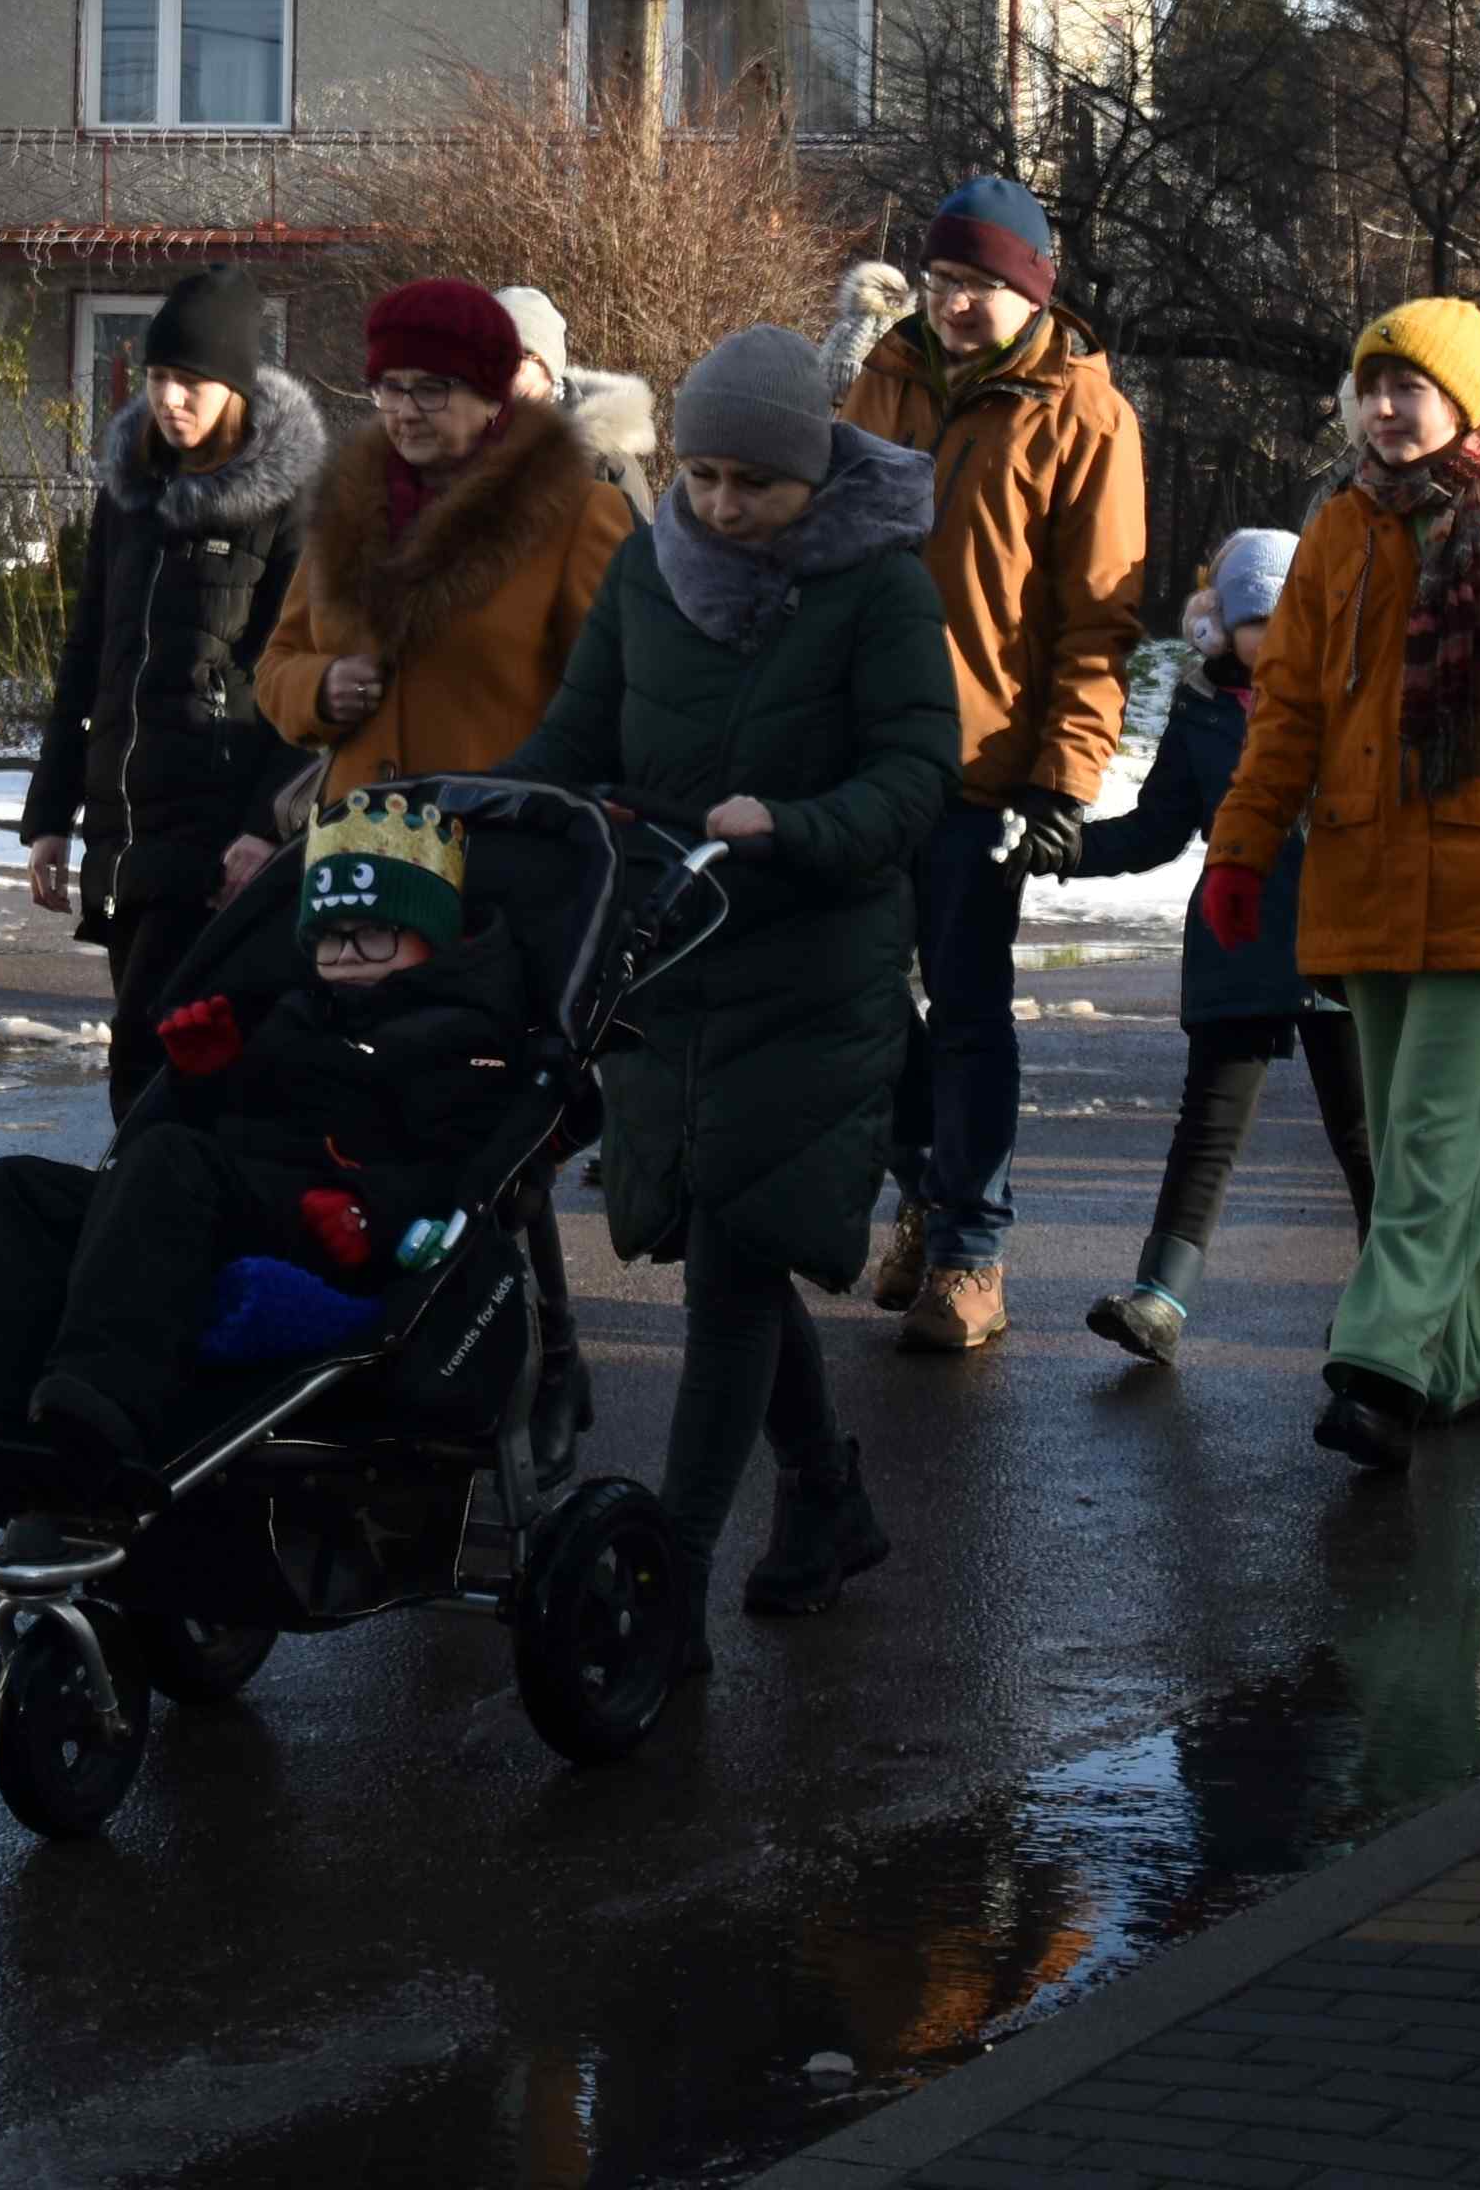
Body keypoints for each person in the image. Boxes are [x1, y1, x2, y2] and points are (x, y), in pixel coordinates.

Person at [502, 325, 952, 1639]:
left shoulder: (880, 589)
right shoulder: (652, 568)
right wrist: (490, 806)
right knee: (719, 1242)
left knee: (736, 1269)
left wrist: (796, 826)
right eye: (701, 477)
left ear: (811, 471)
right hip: (675, 956)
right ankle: (824, 1493)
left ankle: (669, 1577)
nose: (721, 505)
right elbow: (579, 733)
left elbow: (920, 775)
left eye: (751, 482)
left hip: (817, 965)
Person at [1200, 298, 1480, 1481]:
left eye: (1413, 387)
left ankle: (1379, 1361)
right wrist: (1241, 852)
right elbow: (1290, 713)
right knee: (1419, 1141)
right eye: (1372, 385)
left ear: (1467, 402)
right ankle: (1478, 1361)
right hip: (1359, 879)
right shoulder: (1339, 530)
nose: (1389, 407)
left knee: (1434, 1142)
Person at [0, 783, 545, 1482]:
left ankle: (103, 1401)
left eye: (374, 932)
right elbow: (241, 1122)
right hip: (225, 1202)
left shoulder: (465, 1043)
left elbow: (462, 1169)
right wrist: (208, 1077)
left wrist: (374, 1211)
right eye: (328, 937)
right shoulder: (299, 1011)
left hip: (344, 1234)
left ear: (431, 939)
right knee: (14, 1188)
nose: (347, 952)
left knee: (169, 1165)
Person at [842, 174, 1150, 1355]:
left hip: (985, 764)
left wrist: (1066, 777)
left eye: (978, 284)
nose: (957, 305)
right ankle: (918, 1195)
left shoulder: (1081, 409)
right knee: (865, 995)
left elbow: (1097, 615)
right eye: (943, 281)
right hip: (867, 750)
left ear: (1030, 289)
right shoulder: (887, 375)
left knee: (966, 1008)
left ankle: (972, 1251)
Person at [14, 268, 323, 1111]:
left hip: (215, 835)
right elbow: (86, 657)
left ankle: (145, 1229)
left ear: (234, 385)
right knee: (150, 1060)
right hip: (124, 829)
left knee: (161, 1071)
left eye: (191, 381)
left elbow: (305, 688)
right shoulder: (128, 497)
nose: (171, 398)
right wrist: (48, 817)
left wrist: (266, 826)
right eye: (157, 378)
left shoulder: (291, 509)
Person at [1053, 529, 1353, 1367]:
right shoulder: (1199, 708)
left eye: (1290, 617)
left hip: (1344, 944)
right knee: (1209, 1127)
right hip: (1239, 940)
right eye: (1255, 620)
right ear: (1217, 628)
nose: (1274, 637)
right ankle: (1159, 1295)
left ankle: (1389, 1304)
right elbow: (1160, 827)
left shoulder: (1350, 696)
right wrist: (1070, 850)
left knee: (1366, 1135)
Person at [255, 274, 636, 805]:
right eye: (390, 386)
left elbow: (612, 704)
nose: (406, 411)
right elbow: (277, 664)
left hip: (498, 851)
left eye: (433, 389)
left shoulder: (578, 517)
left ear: (490, 397)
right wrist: (319, 687)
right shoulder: (345, 511)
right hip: (357, 859)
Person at [499, 280, 666, 512]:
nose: (497, 372)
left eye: (512, 359)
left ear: (547, 364)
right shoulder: (467, 445)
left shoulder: (607, 464)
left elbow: (636, 546)